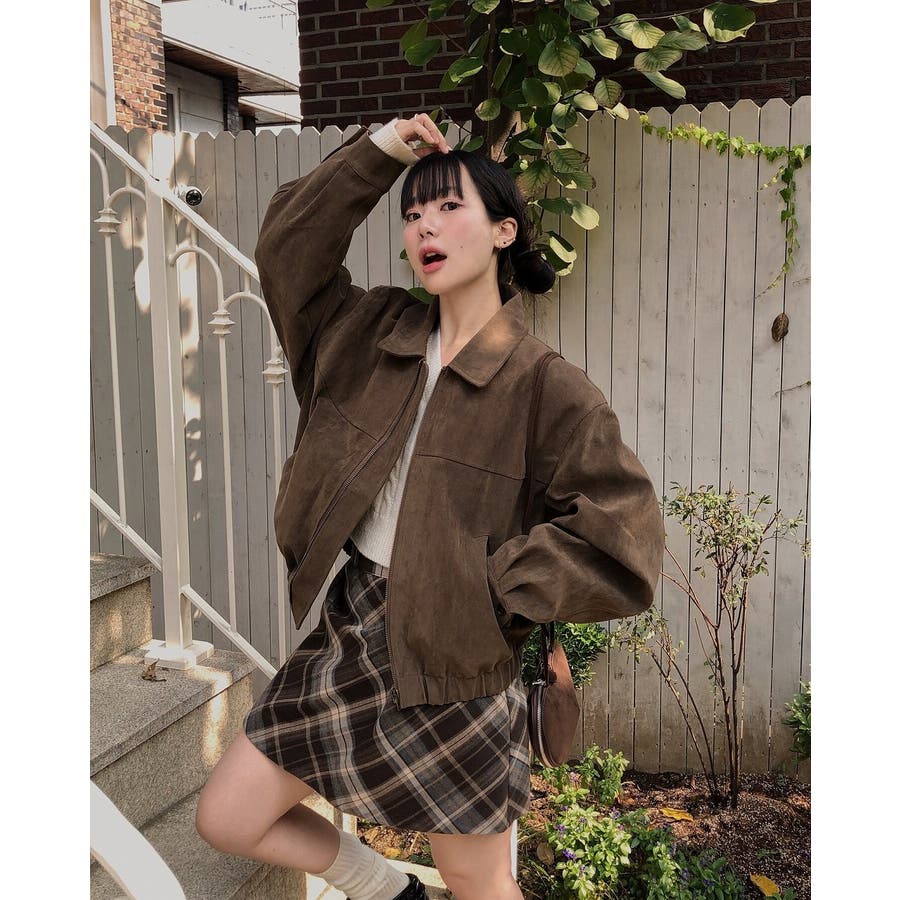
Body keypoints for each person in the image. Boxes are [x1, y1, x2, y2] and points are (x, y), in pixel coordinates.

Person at [195, 113, 666, 900]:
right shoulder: (365, 333)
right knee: (228, 815)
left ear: (504, 231)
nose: (424, 226)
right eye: (413, 213)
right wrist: (381, 153)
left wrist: (491, 586)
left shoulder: (545, 384)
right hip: (353, 627)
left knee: (477, 880)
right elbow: (286, 250)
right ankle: (392, 892)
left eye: (449, 207)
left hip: (458, 657)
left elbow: (625, 538)